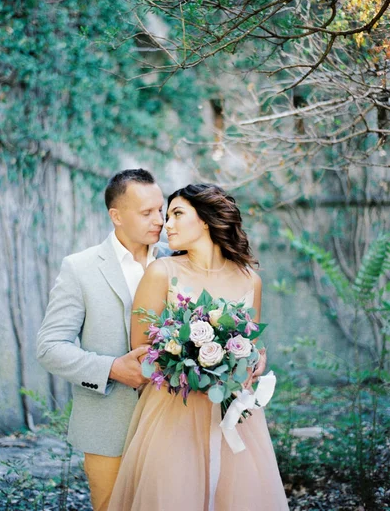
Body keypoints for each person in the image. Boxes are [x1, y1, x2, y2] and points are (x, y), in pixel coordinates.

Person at [108, 183, 288, 511]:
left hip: (234, 411)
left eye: (177, 214)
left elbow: (253, 344)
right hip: (175, 409)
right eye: (167, 215)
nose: (167, 224)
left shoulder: (250, 279)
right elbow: (141, 350)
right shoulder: (161, 272)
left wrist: (255, 360)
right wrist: (194, 364)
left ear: (205, 220)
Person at [36, 168, 171, 511]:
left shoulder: (179, 261)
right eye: (146, 213)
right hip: (107, 425)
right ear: (116, 216)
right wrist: (111, 368)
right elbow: (50, 347)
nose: (159, 220)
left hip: (174, 420)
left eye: (161, 209)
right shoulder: (79, 268)